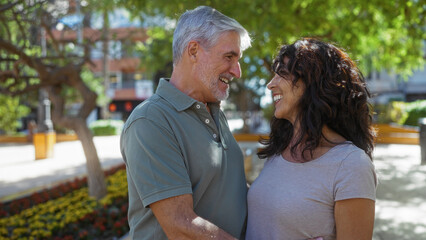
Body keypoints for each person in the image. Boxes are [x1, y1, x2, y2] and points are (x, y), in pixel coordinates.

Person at [120, 6, 251, 240]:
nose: (237, 71)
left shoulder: (215, 111)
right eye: (229, 57)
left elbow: (230, 192)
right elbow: (181, 227)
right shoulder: (151, 120)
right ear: (193, 51)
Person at [246, 38, 377, 240]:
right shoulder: (279, 150)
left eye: (283, 74)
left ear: (313, 83)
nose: (270, 85)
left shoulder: (351, 164)